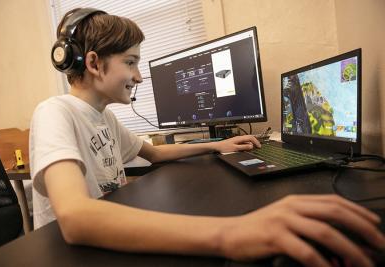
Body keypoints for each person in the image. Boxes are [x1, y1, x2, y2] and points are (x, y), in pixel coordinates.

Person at [30, 8, 384, 267]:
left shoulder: (102, 116)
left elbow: (152, 153)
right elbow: (75, 219)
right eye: (131, 62)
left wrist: (217, 145)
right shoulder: (55, 112)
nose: (138, 76)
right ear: (93, 63)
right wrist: (231, 233)